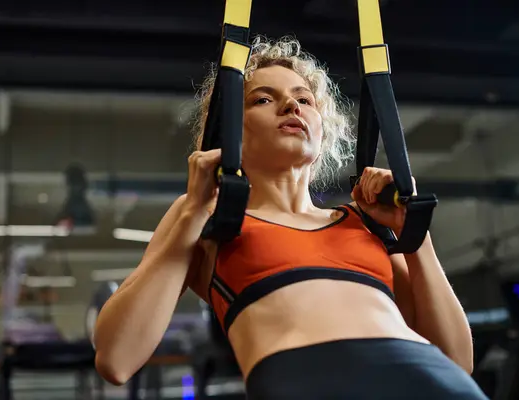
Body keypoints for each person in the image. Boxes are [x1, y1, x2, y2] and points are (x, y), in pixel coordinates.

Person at [93, 36, 489, 399]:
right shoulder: (208, 217)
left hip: (430, 380)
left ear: (322, 130)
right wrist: (193, 212)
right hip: (307, 382)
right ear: (229, 132)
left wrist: (414, 236)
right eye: (263, 99)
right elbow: (116, 358)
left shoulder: (366, 222)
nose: (291, 106)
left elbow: (458, 362)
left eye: (305, 99)